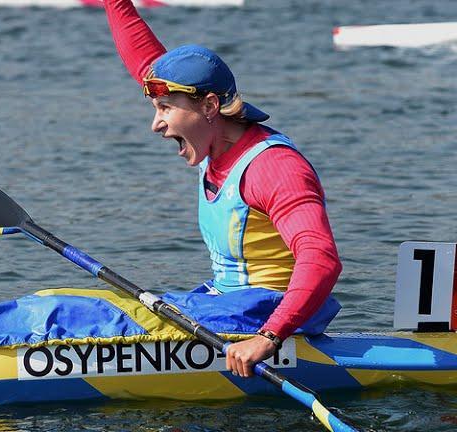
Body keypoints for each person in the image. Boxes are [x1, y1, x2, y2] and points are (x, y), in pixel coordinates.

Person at [103, 0, 342, 378]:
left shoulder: (275, 168)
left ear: (210, 105)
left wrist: (268, 338)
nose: (156, 124)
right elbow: (142, 55)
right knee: (85, 305)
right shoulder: (211, 138)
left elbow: (322, 259)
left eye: (165, 108)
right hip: (224, 306)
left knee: (94, 318)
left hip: (261, 318)